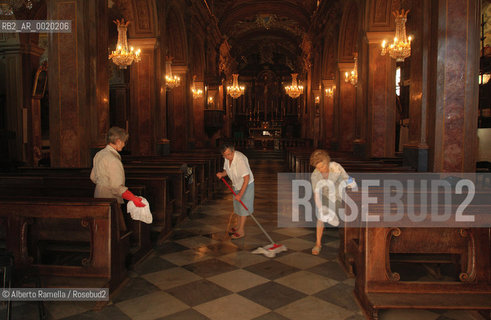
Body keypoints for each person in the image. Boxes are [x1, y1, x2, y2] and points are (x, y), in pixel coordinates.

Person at [310, 149, 353, 255]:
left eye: (322, 166)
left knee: (343, 214)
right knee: (320, 216)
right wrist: (320, 208)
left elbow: (347, 179)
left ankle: (347, 244)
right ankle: (318, 243)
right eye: (318, 167)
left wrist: (352, 184)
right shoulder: (315, 175)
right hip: (325, 196)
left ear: (327, 161)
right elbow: (317, 194)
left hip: (340, 196)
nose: (320, 169)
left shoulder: (336, 167)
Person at [90, 126, 145, 208]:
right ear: (118, 141)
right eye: (124, 142)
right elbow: (117, 187)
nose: (124, 145)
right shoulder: (113, 159)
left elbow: (93, 177)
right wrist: (133, 198)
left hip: (98, 195)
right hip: (110, 199)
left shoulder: (99, 154)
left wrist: (103, 184)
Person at [216, 143, 254, 239]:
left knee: (244, 208)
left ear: (233, 151)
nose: (227, 157)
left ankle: (241, 230)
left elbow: (246, 178)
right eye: (225, 155)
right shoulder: (227, 157)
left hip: (246, 185)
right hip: (236, 184)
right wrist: (222, 174)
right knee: (237, 207)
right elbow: (226, 171)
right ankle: (237, 225)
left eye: (229, 154)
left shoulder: (240, 159)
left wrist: (241, 194)